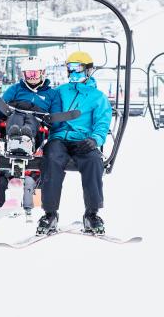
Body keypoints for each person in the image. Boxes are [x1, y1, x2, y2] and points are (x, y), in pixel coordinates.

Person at [37, 51, 112, 235]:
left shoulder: (98, 97)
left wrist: (95, 140)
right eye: (70, 68)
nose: (73, 72)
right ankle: (50, 213)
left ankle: (92, 213)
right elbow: (45, 107)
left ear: (89, 70)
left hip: (83, 141)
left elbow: (102, 124)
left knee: (93, 161)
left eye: (77, 68)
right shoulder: (60, 91)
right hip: (59, 138)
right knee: (52, 159)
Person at [0, 56, 59, 216]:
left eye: (35, 73)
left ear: (42, 73)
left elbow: (55, 113)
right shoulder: (16, 89)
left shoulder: (51, 94)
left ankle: (25, 138)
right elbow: (2, 106)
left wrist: (51, 120)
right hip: (15, 117)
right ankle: (15, 137)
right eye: (28, 74)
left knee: (31, 120)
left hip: (37, 124)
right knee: (16, 117)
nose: (31, 77)